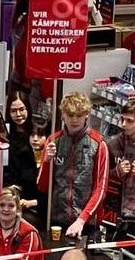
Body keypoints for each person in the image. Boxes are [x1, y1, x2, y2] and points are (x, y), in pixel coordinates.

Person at [38, 92, 110, 240]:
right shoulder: (53, 141)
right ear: (63, 115)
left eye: (79, 114)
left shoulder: (98, 144)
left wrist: (82, 219)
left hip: (87, 224)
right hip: (57, 222)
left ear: (87, 115)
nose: (75, 120)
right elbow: (42, 186)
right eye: (70, 115)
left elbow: (101, 189)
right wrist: (46, 162)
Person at [2, 94, 42, 214]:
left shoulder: (37, 130)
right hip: (15, 196)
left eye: (21, 109)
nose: (18, 115)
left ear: (28, 109)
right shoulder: (5, 136)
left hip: (37, 195)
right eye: (13, 111)